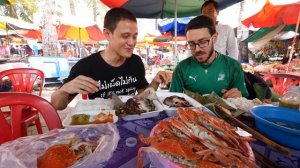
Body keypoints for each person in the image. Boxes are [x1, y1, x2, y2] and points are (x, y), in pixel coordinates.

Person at [51, 8, 168, 110]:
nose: (132, 42)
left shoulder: (135, 62)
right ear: (108, 34)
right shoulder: (87, 66)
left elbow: (143, 95)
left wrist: (155, 81)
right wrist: (65, 89)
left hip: (129, 119)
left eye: (135, 36)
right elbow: (57, 105)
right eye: (125, 36)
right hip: (102, 124)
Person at [169, 15, 248, 99]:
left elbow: (243, 100)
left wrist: (238, 97)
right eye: (191, 44)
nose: (197, 49)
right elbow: (172, 100)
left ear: (214, 38)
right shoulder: (182, 68)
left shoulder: (233, 66)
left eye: (202, 42)